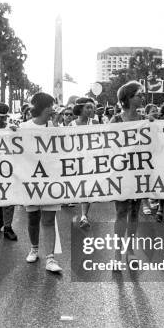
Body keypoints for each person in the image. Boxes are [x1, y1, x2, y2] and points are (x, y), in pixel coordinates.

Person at [19, 92, 63, 273]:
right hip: (30, 179)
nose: (52, 109)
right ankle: (34, 248)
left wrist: (59, 126)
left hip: (50, 179)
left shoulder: (54, 126)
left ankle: (50, 258)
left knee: (48, 219)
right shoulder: (23, 127)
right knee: (33, 217)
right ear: (44, 108)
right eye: (50, 105)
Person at [112, 82, 145, 266]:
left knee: (134, 212)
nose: (142, 97)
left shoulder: (146, 119)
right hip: (121, 173)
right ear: (128, 97)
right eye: (139, 94)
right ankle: (117, 253)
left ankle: (130, 250)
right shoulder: (116, 121)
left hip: (140, 172)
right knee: (121, 212)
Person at [69, 97, 99, 229]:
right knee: (81, 187)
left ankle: (84, 215)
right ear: (80, 109)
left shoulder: (96, 123)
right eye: (87, 107)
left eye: (92, 107)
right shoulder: (72, 125)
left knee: (88, 188)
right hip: (76, 161)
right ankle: (83, 214)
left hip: (91, 161)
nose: (90, 109)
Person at [0, 102, 18, 241]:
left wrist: (16, 132)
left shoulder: (11, 129)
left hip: (8, 168)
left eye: (3, 117)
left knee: (9, 196)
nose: (1, 120)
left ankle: (7, 227)